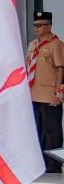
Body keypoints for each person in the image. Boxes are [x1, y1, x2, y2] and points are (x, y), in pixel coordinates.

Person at [27, 10, 64, 174]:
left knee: (52, 131)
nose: (36, 28)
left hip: (49, 95)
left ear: (49, 26)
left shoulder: (56, 44)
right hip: (33, 94)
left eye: (40, 25)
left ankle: (54, 164)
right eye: (35, 25)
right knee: (38, 130)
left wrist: (59, 93)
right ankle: (40, 162)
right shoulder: (32, 45)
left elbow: (62, 70)